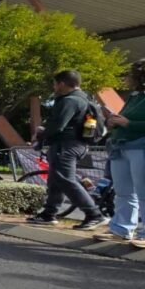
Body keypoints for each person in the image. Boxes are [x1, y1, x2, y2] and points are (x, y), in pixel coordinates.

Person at [27, 70, 108, 230]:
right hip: (77, 144)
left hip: (66, 146)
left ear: (62, 84)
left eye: (55, 84)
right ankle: (49, 213)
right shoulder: (84, 98)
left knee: (66, 179)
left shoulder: (69, 101)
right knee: (55, 180)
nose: (54, 87)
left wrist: (41, 133)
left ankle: (94, 214)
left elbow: (58, 125)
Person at [95, 59, 145, 246]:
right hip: (122, 146)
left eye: (132, 73)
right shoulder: (135, 96)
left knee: (143, 191)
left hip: (140, 147)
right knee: (123, 191)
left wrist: (127, 123)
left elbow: (129, 121)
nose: (128, 77)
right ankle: (121, 229)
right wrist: (113, 121)